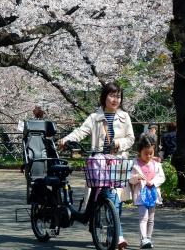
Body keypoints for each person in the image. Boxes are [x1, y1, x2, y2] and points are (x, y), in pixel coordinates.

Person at [58, 81, 135, 250]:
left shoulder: (125, 117)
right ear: (104, 97)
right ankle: (117, 235)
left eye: (118, 96)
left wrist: (118, 143)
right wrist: (67, 139)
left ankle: (112, 234)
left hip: (117, 162)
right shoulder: (94, 117)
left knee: (117, 200)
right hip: (99, 164)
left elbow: (131, 138)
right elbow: (81, 131)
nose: (115, 99)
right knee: (109, 197)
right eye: (112, 95)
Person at [129, 135, 165, 249]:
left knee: (151, 218)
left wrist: (153, 182)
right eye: (146, 153)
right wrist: (137, 177)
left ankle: (148, 238)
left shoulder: (156, 164)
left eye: (151, 153)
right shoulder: (135, 163)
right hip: (141, 195)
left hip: (153, 194)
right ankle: (143, 239)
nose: (149, 156)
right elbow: (130, 179)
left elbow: (161, 177)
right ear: (140, 151)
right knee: (143, 217)